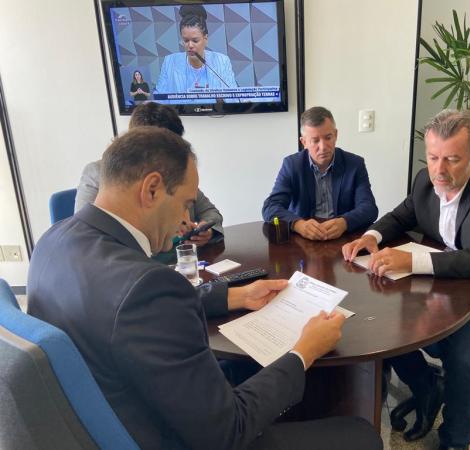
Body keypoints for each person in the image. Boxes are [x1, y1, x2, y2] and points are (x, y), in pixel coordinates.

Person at [28, 127, 382, 450]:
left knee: (245, 370)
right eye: (185, 203)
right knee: (360, 434)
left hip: (108, 411)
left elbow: (123, 315)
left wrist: (236, 295)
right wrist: (304, 351)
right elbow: (228, 432)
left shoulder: (52, 241)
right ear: (152, 189)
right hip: (171, 435)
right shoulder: (148, 286)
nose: (186, 220)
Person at [342, 109, 470, 450]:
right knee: (381, 321)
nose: (439, 170)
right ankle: (426, 386)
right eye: (433, 157)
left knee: (463, 356)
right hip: (445, 282)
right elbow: (402, 215)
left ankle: (455, 440)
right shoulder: (426, 179)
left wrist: (412, 261)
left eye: (452, 159)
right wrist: (371, 236)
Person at [75, 101, 223, 247]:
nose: (172, 156)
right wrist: (166, 223)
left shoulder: (177, 172)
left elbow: (210, 212)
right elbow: (88, 235)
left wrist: (205, 230)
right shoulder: (98, 173)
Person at [262, 106, 378, 241]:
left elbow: (369, 208)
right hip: (304, 239)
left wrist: (345, 222)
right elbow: (270, 207)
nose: (323, 147)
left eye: (328, 137)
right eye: (315, 140)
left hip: (343, 237)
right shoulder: (292, 165)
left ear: (336, 135)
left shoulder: (355, 164)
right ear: (304, 142)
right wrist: (298, 224)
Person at [154, 5, 237, 104]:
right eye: (186, 40)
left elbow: (235, 99)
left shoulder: (222, 61)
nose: (190, 45)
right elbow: (159, 101)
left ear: (205, 39)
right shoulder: (169, 62)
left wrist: (222, 101)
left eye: (195, 40)